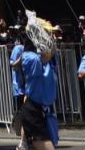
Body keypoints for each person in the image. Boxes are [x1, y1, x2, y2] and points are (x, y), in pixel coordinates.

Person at [18, 21, 59, 150]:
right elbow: (45, 56)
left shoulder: (48, 56)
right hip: (33, 111)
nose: (51, 36)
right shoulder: (29, 57)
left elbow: (50, 53)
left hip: (44, 110)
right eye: (47, 33)